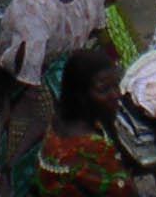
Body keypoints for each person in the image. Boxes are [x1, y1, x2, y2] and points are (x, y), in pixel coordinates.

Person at [0, 0, 109, 197]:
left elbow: (28, 76)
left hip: (41, 94)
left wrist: (10, 114)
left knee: (21, 163)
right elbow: (99, 28)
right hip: (75, 77)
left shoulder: (32, 3)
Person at [34, 46, 134, 197]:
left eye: (116, 85)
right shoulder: (92, 145)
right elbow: (125, 192)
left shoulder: (59, 120)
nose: (116, 95)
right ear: (80, 95)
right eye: (104, 90)